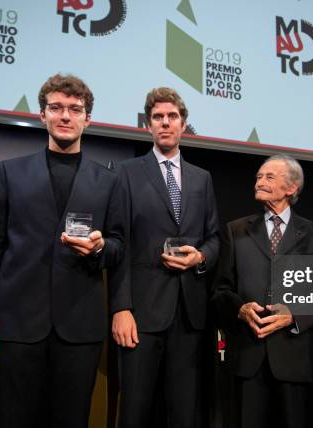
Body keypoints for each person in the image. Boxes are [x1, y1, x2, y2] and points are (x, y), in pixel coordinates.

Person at [0, 74, 125, 427]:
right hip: (16, 326)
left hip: (78, 329)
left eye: (75, 109)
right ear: (42, 115)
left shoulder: (109, 182)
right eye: (56, 108)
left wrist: (100, 248)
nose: (65, 116)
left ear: (88, 118)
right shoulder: (11, 172)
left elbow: (118, 247)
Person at [111, 87, 220, 428]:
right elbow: (119, 243)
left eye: (172, 116)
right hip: (140, 313)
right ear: (148, 125)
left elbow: (214, 237)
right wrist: (120, 307)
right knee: (135, 410)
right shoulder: (126, 173)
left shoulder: (203, 178)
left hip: (188, 314)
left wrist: (199, 256)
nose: (165, 123)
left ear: (183, 124)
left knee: (184, 411)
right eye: (157, 117)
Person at [211, 154, 313, 428]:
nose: (259, 181)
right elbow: (220, 290)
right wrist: (239, 309)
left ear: (291, 188)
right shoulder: (235, 230)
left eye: (269, 177)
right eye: (258, 177)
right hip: (248, 360)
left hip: (297, 361)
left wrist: (295, 315)